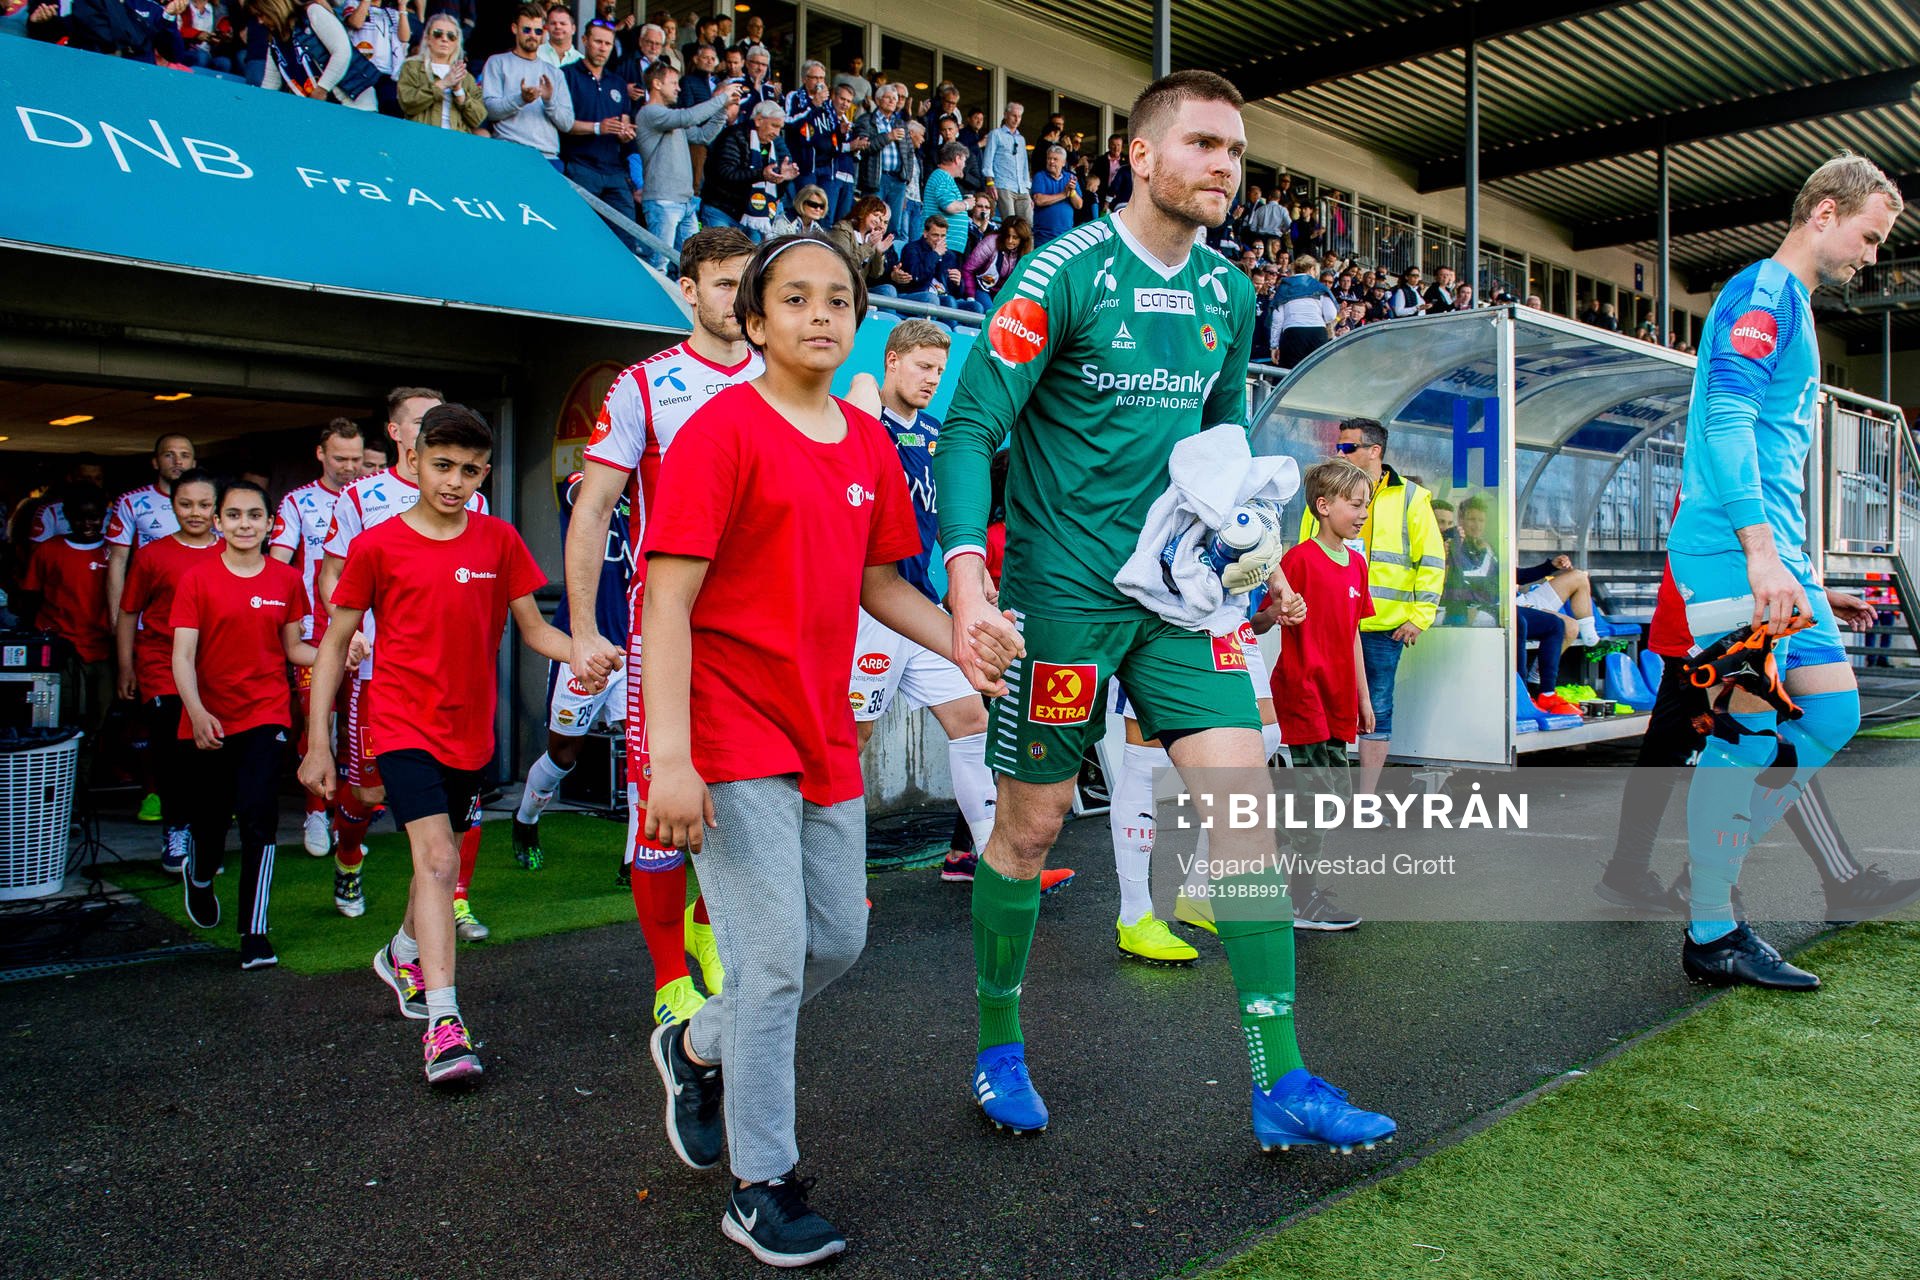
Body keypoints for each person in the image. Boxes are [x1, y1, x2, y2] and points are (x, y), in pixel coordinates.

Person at [932, 71, 1394, 1152]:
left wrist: (1260, 557)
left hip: (1182, 606)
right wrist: (967, 583)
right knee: (1032, 825)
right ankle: (999, 1043)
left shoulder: (1230, 295)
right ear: (1141, 156)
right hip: (1061, 603)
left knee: (1245, 817)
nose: (1224, 166)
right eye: (1202, 144)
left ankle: (1281, 1077)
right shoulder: (1063, 275)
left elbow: (1223, 443)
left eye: (1235, 150)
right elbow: (966, 429)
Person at [640, 233, 1021, 1267]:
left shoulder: (863, 442)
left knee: (836, 944)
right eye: (794, 298)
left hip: (819, 724)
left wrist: (966, 636)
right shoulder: (717, 433)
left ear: (858, 320)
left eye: (839, 298)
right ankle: (761, 1185)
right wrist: (668, 757)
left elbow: (880, 584)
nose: (819, 313)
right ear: (753, 321)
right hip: (724, 722)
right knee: (770, 958)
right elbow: (664, 601)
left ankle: (695, 1044)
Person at [1667, 153, 1902, 989]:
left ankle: (1709, 874)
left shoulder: (1790, 305)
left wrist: (1801, 570)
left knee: (1831, 714)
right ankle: (1712, 927)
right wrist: (1764, 554)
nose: (1871, 257)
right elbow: (1727, 422)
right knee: (1751, 732)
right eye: (1869, 238)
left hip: (1775, 553)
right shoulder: (1764, 294)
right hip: (1734, 548)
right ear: (1825, 211)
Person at [303, 406, 571, 1083]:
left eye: (470, 470)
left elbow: (536, 632)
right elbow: (334, 644)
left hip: (469, 730)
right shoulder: (377, 545)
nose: (454, 481)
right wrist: (317, 741)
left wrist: (595, 653)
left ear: (485, 473)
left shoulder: (500, 541)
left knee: (440, 865)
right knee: (438, 858)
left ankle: (400, 948)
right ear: (415, 461)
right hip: (400, 723)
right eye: (443, 466)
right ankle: (446, 1026)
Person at [564, 228, 760, 1028]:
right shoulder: (647, 385)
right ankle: (665, 975)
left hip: (763, 628)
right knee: (659, 806)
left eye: (750, 285)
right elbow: (595, 507)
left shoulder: (782, 381)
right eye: (722, 285)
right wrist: (583, 627)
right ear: (687, 289)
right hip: (669, 623)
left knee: (746, 795)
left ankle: (710, 932)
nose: (737, 301)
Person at [839, 323, 1051, 888]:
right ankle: (834, 878)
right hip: (867, 612)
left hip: (921, 603)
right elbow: (856, 402)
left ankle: (988, 861)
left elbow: (947, 526)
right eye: (921, 366)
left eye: (939, 369)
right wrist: (863, 384)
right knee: (851, 738)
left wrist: (974, 574)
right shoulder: (858, 420)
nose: (932, 378)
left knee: (971, 721)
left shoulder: (937, 436)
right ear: (891, 361)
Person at [318, 387, 491, 938]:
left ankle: (452, 897)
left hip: (453, 683)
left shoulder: (473, 502)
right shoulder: (360, 498)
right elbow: (332, 576)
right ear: (401, 438)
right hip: (380, 673)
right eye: (424, 423)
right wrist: (348, 633)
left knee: (459, 797)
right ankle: (349, 860)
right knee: (368, 793)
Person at [172, 478, 316, 971]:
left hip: (266, 714)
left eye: (254, 515)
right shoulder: (196, 578)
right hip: (208, 717)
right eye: (233, 515)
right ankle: (202, 872)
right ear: (218, 522)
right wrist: (195, 712)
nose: (244, 524)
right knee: (211, 819)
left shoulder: (285, 580)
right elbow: (182, 656)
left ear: (270, 523)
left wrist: (338, 652)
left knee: (258, 816)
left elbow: (293, 649)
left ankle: (254, 933)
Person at [1301, 417, 1443, 796]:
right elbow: (1305, 555)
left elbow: (1431, 559)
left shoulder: (1411, 497)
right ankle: (1328, 788)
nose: (1339, 453)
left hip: (1384, 624)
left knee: (1376, 705)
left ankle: (1365, 795)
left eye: (1348, 447)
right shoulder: (1325, 497)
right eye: (1339, 447)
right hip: (1332, 622)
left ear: (1374, 451)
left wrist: (1420, 617)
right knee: (1326, 700)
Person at [509, 468, 630, 873]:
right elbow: (581, 493)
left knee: (639, 749)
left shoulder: (658, 499)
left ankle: (635, 859)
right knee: (563, 754)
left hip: (639, 646)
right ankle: (525, 818)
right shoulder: (586, 481)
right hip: (582, 645)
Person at [1269, 458, 1374, 874]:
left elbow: (1352, 636)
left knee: (1337, 797)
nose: (1363, 515)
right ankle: (1301, 890)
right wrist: (1279, 609)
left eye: (1366, 506)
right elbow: (1262, 620)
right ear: (1324, 505)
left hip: (1338, 696)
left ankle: (1262, 833)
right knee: (1317, 799)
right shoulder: (1299, 560)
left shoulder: (1358, 566)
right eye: (1355, 505)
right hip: (1303, 691)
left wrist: (1363, 699)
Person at [269, 419, 364, 858]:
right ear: (321, 455)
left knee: (359, 726)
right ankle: (314, 811)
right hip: (313, 631)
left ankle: (350, 812)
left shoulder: (372, 499)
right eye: (340, 458)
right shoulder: (297, 502)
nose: (348, 466)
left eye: (355, 459)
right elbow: (279, 564)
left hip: (367, 632)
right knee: (317, 721)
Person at [118, 471, 222, 870]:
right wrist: (127, 666)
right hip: (162, 666)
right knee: (173, 752)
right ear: (171, 506)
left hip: (214, 670)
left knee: (210, 755)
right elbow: (129, 612)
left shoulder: (230, 551)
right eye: (185, 504)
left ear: (215, 508)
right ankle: (175, 830)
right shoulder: (151, 555)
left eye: (203, 504)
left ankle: (203, 837)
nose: (194, 513)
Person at [20, 486, 114, 773]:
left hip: (101, 649)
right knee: (59, 719)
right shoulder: (50, 550)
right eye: (81, 518)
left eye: (95, 518)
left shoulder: (115, 551)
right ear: (68, 517)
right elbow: (29, 597)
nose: (88, 524)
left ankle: (83, 785)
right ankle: (56, 785)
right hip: (60, 651)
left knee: (98, 719)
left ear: (103, 517)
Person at [635, 59, 740, 267]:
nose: (678, 88)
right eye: (673, 83)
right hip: (663, 200)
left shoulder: (671, 117)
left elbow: (702, 136)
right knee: (659, 263)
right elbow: (688, 117)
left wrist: (722, 111)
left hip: (686, 202)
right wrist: (720, 99)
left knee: (691, 266)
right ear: (656, 84)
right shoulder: (650, 112)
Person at [105, 433, 196, 631]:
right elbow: (117, 561)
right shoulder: (131, 502)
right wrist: (115, 620)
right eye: (169, 455)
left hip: (197, 607)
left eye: (185, 455)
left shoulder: (213, 504)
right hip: (147, 611)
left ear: (194, 463)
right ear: (155, 462)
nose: (178, 461)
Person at [560, 21, 638, 248]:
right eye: (598, 42)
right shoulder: (567, 75)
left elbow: (625, 122)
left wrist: (625, 133)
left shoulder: (618, 82)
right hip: (580, 167)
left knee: (626, 239)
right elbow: (561, 123)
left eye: (608, 44)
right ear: (584, 41)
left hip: (614, 171)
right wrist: (597, 127)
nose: (603, 48)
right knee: (578, 235)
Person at [482, 3, 573, 169]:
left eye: (538, 31)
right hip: (508, 151)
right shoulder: (497, 62)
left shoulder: (555, 73)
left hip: (547, 157)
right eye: (527, 30)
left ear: (543, 33)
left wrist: (549, 101)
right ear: (514, 28)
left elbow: (567, 123)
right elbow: (490, 111)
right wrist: (521, 99)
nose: (533, 35)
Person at [253, 0, 379, 109]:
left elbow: (342, 51)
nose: (259, 21)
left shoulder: (312, 13)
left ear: (274, 8)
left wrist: (322, 88)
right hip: (320, 110)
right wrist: (258, 106)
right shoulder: (275, 42)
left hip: (355, 105)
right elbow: (270, 83)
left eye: (261, 15)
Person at [701, 101, 798, 239]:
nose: (777, 133)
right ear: (758, 120)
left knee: (753, 259)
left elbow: (775, 187)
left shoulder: (774, 144)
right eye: (774, 126)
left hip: (755, 215)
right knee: (719, 258)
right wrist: (761, 174)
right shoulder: (733, 136)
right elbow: (725, 173)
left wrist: (783, 179)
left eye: (780, 128)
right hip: (722, 210)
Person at [398, 15, 486, 132]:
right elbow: (407, 103)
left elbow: (478, 118)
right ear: (427, 38)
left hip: (455, 141)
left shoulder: (465, 76)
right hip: (421, 136)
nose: (444, 39)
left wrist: (459, 91)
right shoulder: (411, 67)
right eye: (438, 33)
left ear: (457, 42)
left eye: (451, 36)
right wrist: (443, 84)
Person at [1270, 258, 1337, 369]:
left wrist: (1274, 346)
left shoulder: (1285, 286)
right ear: (1312, 269)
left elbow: (1277, 319)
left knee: (1289, 377)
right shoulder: (1319, 286)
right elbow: (1331, 315)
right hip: (1318, 333)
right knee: (1317, 374)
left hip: (1293, 333)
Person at [959, 213, 1031, 310]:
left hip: (1002, 294)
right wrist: (970, 297)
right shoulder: (991, 242)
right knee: (991, 313)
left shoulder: (1024, 253)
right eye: (1008, 236)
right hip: (981, 288)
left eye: (1015, 238)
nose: (1010, 241)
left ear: (1022, 239)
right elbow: (968, 269)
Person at [830, 195, 898, 291]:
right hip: (838, 286)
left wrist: (879, 253)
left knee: (888, 290)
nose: (878, 221)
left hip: (858, 289)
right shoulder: (842, 229)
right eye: (875, 215)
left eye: (880, 218)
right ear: (863, 211)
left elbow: (876, 274)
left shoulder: (871, 237)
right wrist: (868, 246)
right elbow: (843, 265)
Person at [982, 102, 1031, 223]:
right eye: (1013, 115)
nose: (1016, 119)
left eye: (1019, 116)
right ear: (1005, 115)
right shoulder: (996, 134)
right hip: (1004, 185)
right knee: (1010, 223)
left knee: (1027, 225)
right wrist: (990, 183)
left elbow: (1024, 165)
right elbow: (988, 159)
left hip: (1022, 188)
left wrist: (1027, 188)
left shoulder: (1021, 139)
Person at [1028, 144, 1081, 245]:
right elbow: (1039, 200)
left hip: (1066, 235)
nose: (1051, 162)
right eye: (1049, 158)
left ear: (1063, 162)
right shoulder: (1040, 176)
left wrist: (1072, 192)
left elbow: (1079, 205)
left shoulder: (1071, 177)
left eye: (1055, 159)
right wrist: (1064, 194)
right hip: (1043, 236)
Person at [536, 0, 575, 66]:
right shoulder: (535, 55)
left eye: (563, 23)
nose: (558, 27)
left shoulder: (580, 60)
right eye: (553, 23)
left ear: (573, 29)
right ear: (547, 26)